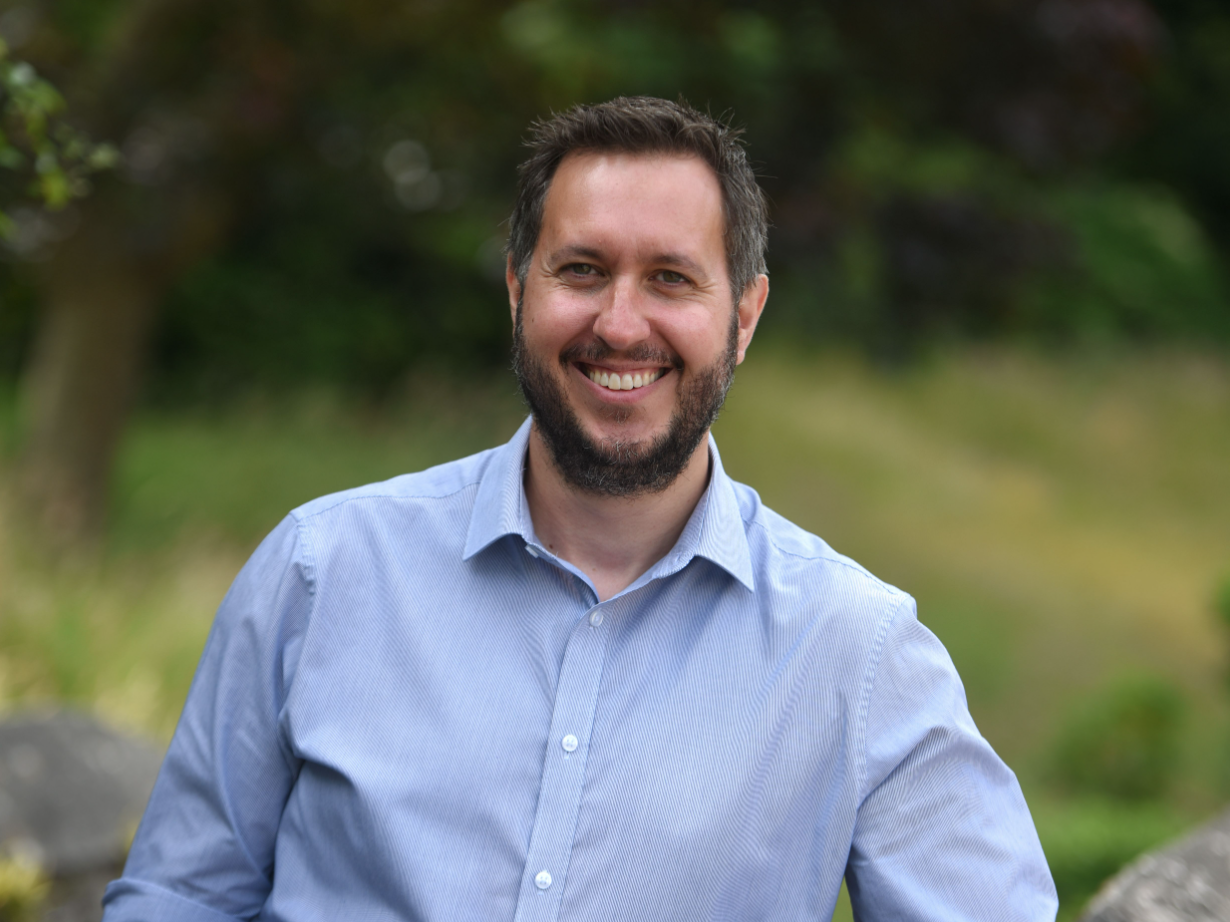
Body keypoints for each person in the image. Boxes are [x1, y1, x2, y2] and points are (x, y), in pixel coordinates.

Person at [102, 96, 1057, 922]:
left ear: (746, 315)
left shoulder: (858, 652)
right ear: (519, 288)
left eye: (672, 278)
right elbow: (179, 898)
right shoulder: (322, 569)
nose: (621, 324)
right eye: (583, 269)